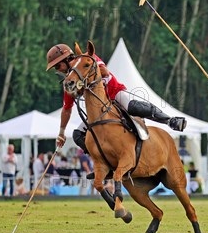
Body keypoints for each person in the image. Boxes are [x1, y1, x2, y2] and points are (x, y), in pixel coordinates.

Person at [45, 43, 187, 155]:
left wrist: (84, 81)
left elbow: (104, 71)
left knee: (133, 106)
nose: (58, 70)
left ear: (67, 58)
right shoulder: (70, 80)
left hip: (115, 94)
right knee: (78, 135)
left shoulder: (86, 59)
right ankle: (101, 160)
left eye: (58, 65)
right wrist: (61, 133)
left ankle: (170, 121)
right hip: (98, 109)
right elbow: (67, 109)